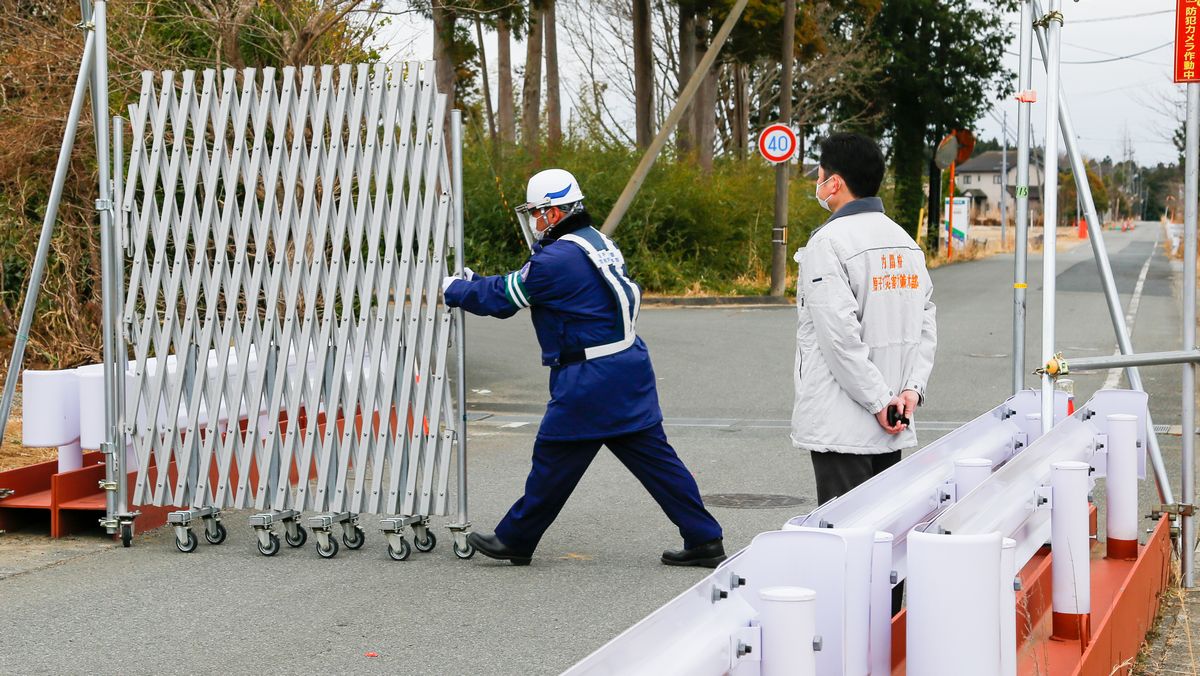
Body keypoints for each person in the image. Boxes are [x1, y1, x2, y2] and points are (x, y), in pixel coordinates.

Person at [442, 168, 725, 568]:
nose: (534, 221)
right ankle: (704, 538)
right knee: (656, 460)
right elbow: (527, 286)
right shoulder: (595, 241)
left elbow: (503, 299)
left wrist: (455, 290)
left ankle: (516, 539)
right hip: (626, 364)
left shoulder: (557, 258)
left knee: (554, 456)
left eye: (538, 212)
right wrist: (478, 282)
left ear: (555, 212)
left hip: (590, 377)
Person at [792, 132, 938, 507]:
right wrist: (910, 392)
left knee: (847, 534)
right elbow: (925, 325)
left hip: (847, 424)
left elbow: (839, 339)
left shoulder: (828, 243)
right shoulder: (904, 241)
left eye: (819, 175)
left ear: (834, 182)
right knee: (882, 527)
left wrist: (878, 403)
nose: (817, 184)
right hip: (894, 419)